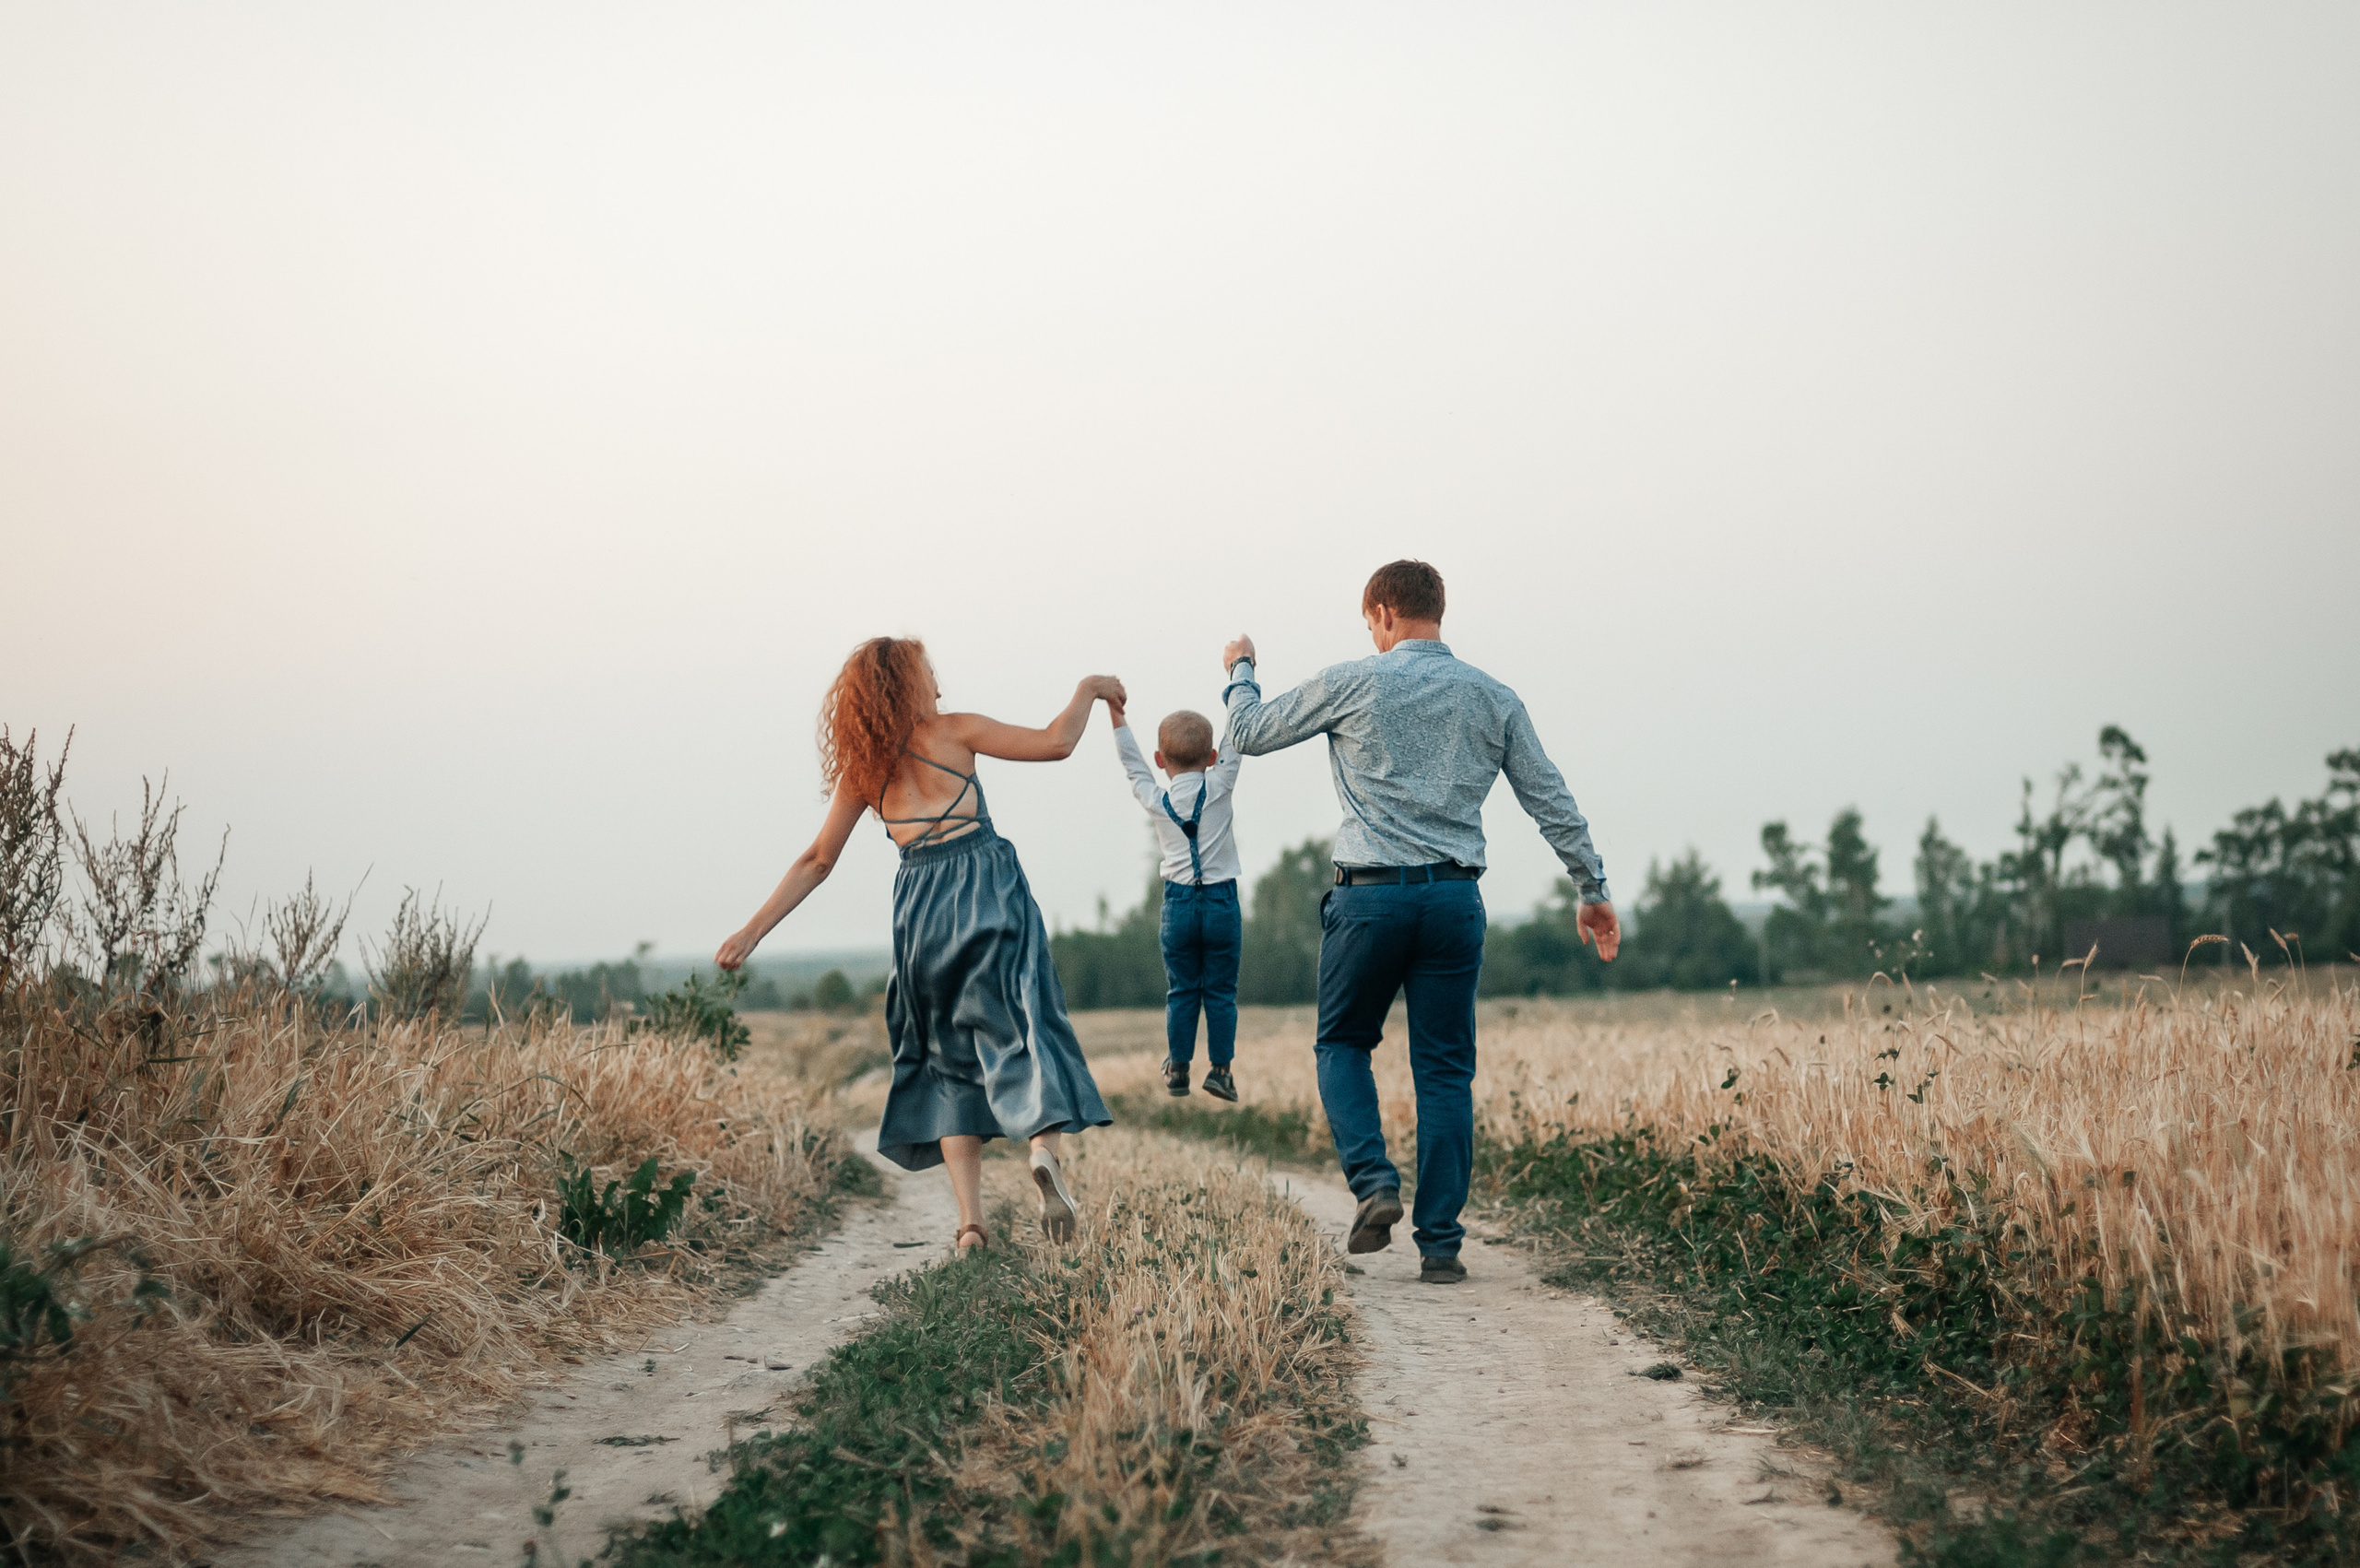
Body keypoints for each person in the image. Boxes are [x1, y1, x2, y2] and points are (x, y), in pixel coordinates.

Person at [1220, 560, 1619, 1285]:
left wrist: (1241, 667)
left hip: (1368, 900)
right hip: (1453, 902)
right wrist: (1591, 886)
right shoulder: (1492, 696)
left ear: (1381, 613)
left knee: (1342, 1042)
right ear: (1439, 608)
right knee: (1443, 1072)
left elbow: (1244, 732)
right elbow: (1550, 799)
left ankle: (1374, 1181)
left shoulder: (1354, 681)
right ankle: (1441, 1245)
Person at [714, 637, 1120, 1255]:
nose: (938, 684)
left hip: (922, 914)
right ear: (908, 685)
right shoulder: (956, 731)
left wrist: (751, 931)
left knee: (948, 1062)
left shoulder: (865, 772)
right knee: (1026, 1027)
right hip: (988, 889)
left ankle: (971, 1226)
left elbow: (818, 860)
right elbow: (1056, 741)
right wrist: (1088, 687)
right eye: (929, 673)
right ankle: (1042, 1150)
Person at [1109, 699, 1245, 1102]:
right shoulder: (1221, 784)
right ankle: (1220, 1071)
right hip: (1221, 903)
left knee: (1183, 990)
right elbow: (1237, 733)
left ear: (1160, 759)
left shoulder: (1155, 798)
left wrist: (1115, 712)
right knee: (1220, 991)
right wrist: (1242, 676)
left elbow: (1131, 762)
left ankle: (1179, 1069)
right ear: (1213, 757)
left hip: (1179, 906)